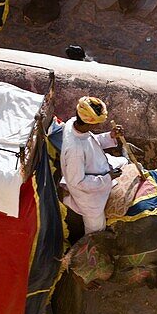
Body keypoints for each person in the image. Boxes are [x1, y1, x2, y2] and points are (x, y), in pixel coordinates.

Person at [59, 96, 126, 236]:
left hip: (97, 162)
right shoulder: (75, 150)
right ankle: (91, 247)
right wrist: (107, 178)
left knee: (124, 162)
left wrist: (111, 136)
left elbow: (92, 141)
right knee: (96, 225)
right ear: (90, 124)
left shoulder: (74, 123)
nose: (99, 127)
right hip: (88, 192)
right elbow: (78, 182)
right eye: (97, 124)